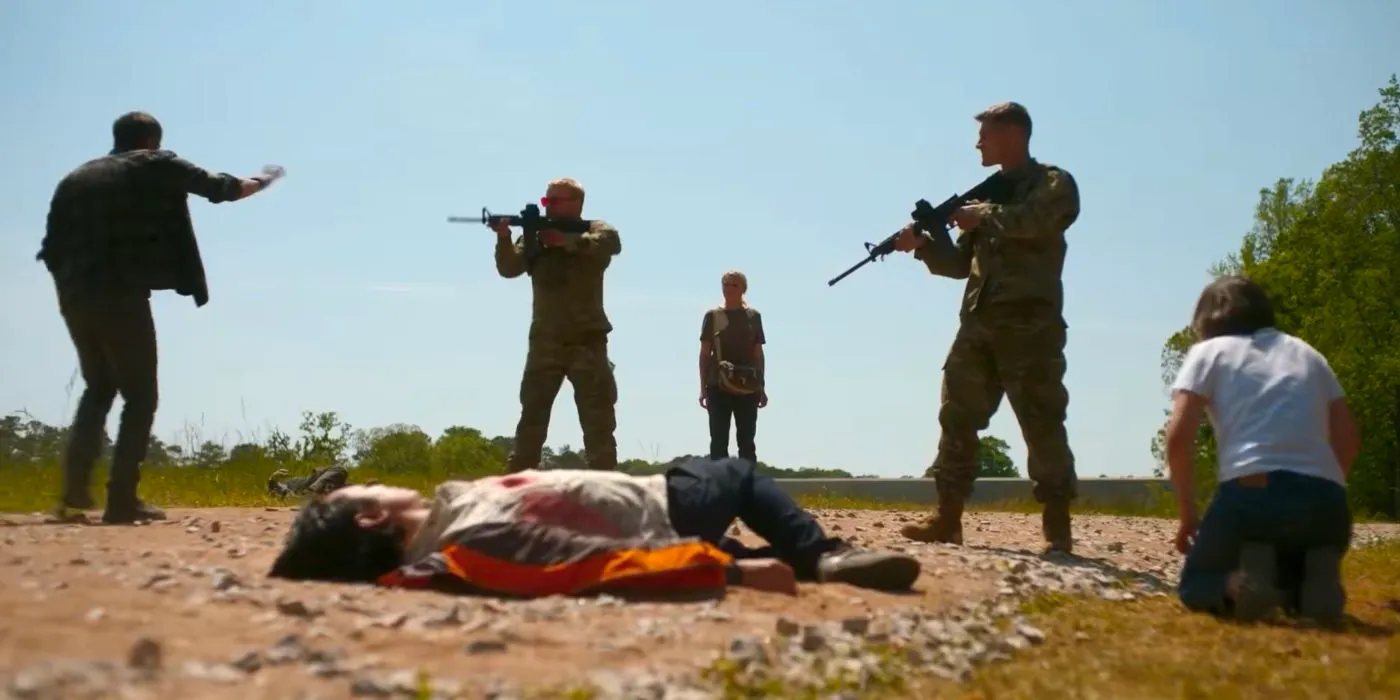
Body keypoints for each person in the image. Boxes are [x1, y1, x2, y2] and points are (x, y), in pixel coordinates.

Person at [36, 111, 285, 525]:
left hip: (73, 292)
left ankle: (73, 492)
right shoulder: (155, 164)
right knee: (140, 394)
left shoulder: (75, 178)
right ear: (151, 140)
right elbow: (223, 189)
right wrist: (263, 181)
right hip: (118, 291)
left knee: (98, 386)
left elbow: (50, 244)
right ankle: (121, 501)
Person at [267, 456, 922, 598]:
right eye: (361, 489)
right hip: (661, 507)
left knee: (724, 530)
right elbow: (579, 567)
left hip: (650, 523)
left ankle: (790, 555)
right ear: (372, 515)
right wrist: (730, 573)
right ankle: (825, 554)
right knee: (735, 473)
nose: (369, 477)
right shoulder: (462, 543)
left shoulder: (450, 528)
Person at [891, 102, 1082, 553]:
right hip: (978, 324)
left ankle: (1057, 528)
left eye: (986, 135)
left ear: (1013, 135)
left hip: (1029, 324)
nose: (978, 144)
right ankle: (947, 518)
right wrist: (922, 245)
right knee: (956, 415)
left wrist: (985, 216)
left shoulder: (1052, 183)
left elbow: (1041, 220)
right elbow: (960, 265)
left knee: (1041, 420)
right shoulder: (982, 195)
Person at [1165, 276, 1358, 624]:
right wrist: (1318, 488)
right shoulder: (1307, 354)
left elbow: (1178, 438)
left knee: (1196, 583)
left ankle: (1242, 583)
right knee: (1293, 550)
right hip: (1327, 504)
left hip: (1254, 493)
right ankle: (1309, 585)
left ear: (1205, 321)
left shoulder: (1209, 352)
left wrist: (1188, 512)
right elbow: (1348, 437)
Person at [492, 178, 622, 472]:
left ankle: (604, 485)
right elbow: (509, 268)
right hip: (545, 340)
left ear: (575, 204)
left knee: (598, 418)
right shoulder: (534, 236)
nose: (546, 206)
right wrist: (503, 237)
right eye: (546, 200)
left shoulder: (595, 230)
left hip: (587, 340)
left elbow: (611, 243)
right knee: (532, 416)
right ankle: (520, 481)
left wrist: (566, 242)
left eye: (554, 201)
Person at [698, 270, 768, 463]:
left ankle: (747, 488)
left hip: (747, 386)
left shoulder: (753, 317)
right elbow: (705, 354)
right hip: (718, 385)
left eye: (734, 285)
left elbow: (758, 354)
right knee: (718, 442)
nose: (728, 289)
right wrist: (703, 388)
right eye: (726, 285)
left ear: (743, 289)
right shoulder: (713, 316)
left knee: (746, 442)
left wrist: (762, 386)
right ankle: (721, 487)